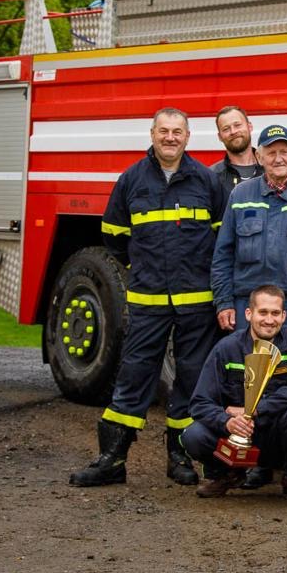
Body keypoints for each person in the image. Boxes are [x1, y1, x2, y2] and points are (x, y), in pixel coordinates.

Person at [70, 107, 227, 488]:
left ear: (188, 137)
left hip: (196, 302)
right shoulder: (131, 180)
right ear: (153, 134)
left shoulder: (207, 181)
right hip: (148, 301)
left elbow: (223, 240)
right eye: (164, 131)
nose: (170, 137)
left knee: (190, 380)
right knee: (134, 376)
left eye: (177, 131)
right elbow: (113, 236)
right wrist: (143, 268)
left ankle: (180, 458)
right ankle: (112, 458)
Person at [181, 284, 287, 503]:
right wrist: (227, 422)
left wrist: (255, 410)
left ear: (284, 316)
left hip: (276, 434)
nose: (269, 320)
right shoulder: (226, 348)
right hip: (237, 436)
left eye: (275, 313)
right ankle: (227, 474)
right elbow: (200, 402)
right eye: (262, 312)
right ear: (249, 314)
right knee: (193, 435)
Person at [211, 123, 287, 334]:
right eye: (271, 153)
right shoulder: (240, 196)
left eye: (284, 152)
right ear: (259, 158)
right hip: (249, 306)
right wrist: (224, 302)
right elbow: (223, 255)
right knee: (249, 365)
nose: (279, 159)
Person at [208, 105, 263, 195]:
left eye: (237, 125)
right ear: (220, 137)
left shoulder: (270, 169)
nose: (233, 131)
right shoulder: (211, 177)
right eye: (226, 129)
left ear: (250, 127)